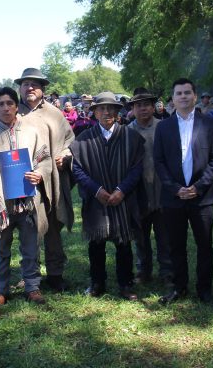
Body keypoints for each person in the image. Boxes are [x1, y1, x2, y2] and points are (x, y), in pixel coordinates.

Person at [0, 87, 50, 306]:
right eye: (1, 104)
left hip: (28, 200)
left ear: (17, 106)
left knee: (31, 246)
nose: (6, 108)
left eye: (10, 103)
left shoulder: (31, 132)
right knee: (1, 248)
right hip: (2, 204)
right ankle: (0, 289)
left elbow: (45, 160)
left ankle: (32, 287)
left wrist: (39, 173)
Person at [71, 92, 144, 300]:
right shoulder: (84, 139)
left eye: (111, 108)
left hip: (123, 199)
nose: (106, 112)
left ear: (117, 111)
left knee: (124, 243)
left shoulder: (130, 137)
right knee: (96, 243)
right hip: (96, 199)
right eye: (101, 108)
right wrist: (96, 190)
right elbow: (77, 169)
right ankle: (97, 283)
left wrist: (122, 190)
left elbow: (137, 167)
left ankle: (126, 284)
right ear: (94, 112)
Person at [155, 78, 213, 305]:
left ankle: (205, 289)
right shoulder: (163, 127)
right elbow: (159, 161)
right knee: (176, 245)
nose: (183, 96)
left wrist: (198, 187)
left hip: (202, 197)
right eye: (179, 93)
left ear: (195, 96)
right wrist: (176, 189)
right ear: (172, 99)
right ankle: (179, 287)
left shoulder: (209, 124)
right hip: (173, 197)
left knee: (205, 244)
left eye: (187, 92)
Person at [15, 68, 75, 292]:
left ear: (42, 89)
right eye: (25, 84)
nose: (30, 88)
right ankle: (30, 274)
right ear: (20, 88)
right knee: (28, 228)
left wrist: (65, 156)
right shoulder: (13, 111)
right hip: (23, 181)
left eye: (35, 84)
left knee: (52, 226)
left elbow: (69, 140)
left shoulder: (54, 114)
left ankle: (55, 273)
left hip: (52, 179)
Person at [128, 89, 172, 284]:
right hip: (139, 191)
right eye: (138, 105)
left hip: (163, 189)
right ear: (133, 109)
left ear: (154, 107)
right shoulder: (127, 131)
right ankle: (143, 270)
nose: (143, 108)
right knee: (140, 236)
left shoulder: (164, 127)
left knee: (165, 235)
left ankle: (167, 271)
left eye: (146, 104)